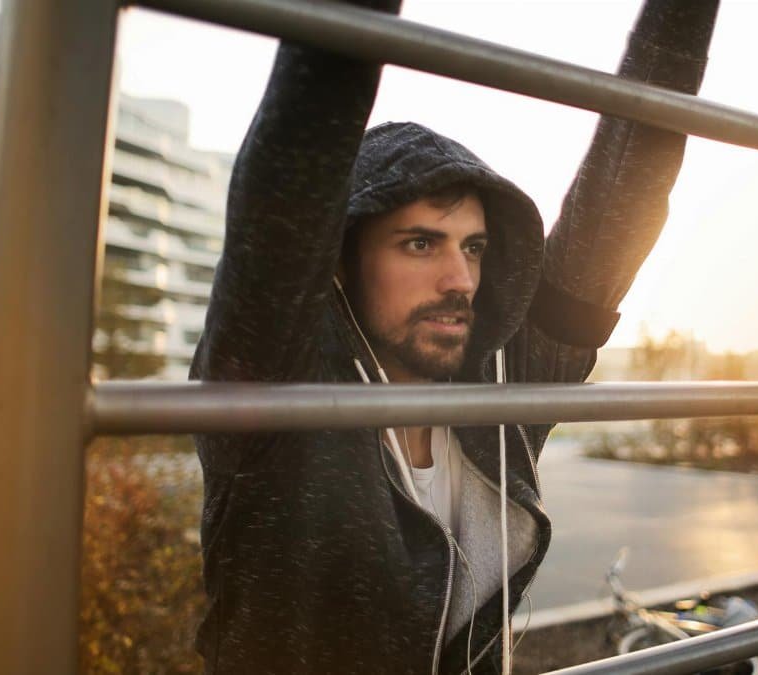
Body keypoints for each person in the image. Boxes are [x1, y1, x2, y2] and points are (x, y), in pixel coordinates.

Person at [189, 1, 718, 673]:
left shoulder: (502, 380)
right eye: (420, 243)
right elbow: (299, 143)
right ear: (342, 259)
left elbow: (620, 199)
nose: (459, 277)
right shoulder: (276, 377)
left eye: (473, 247)